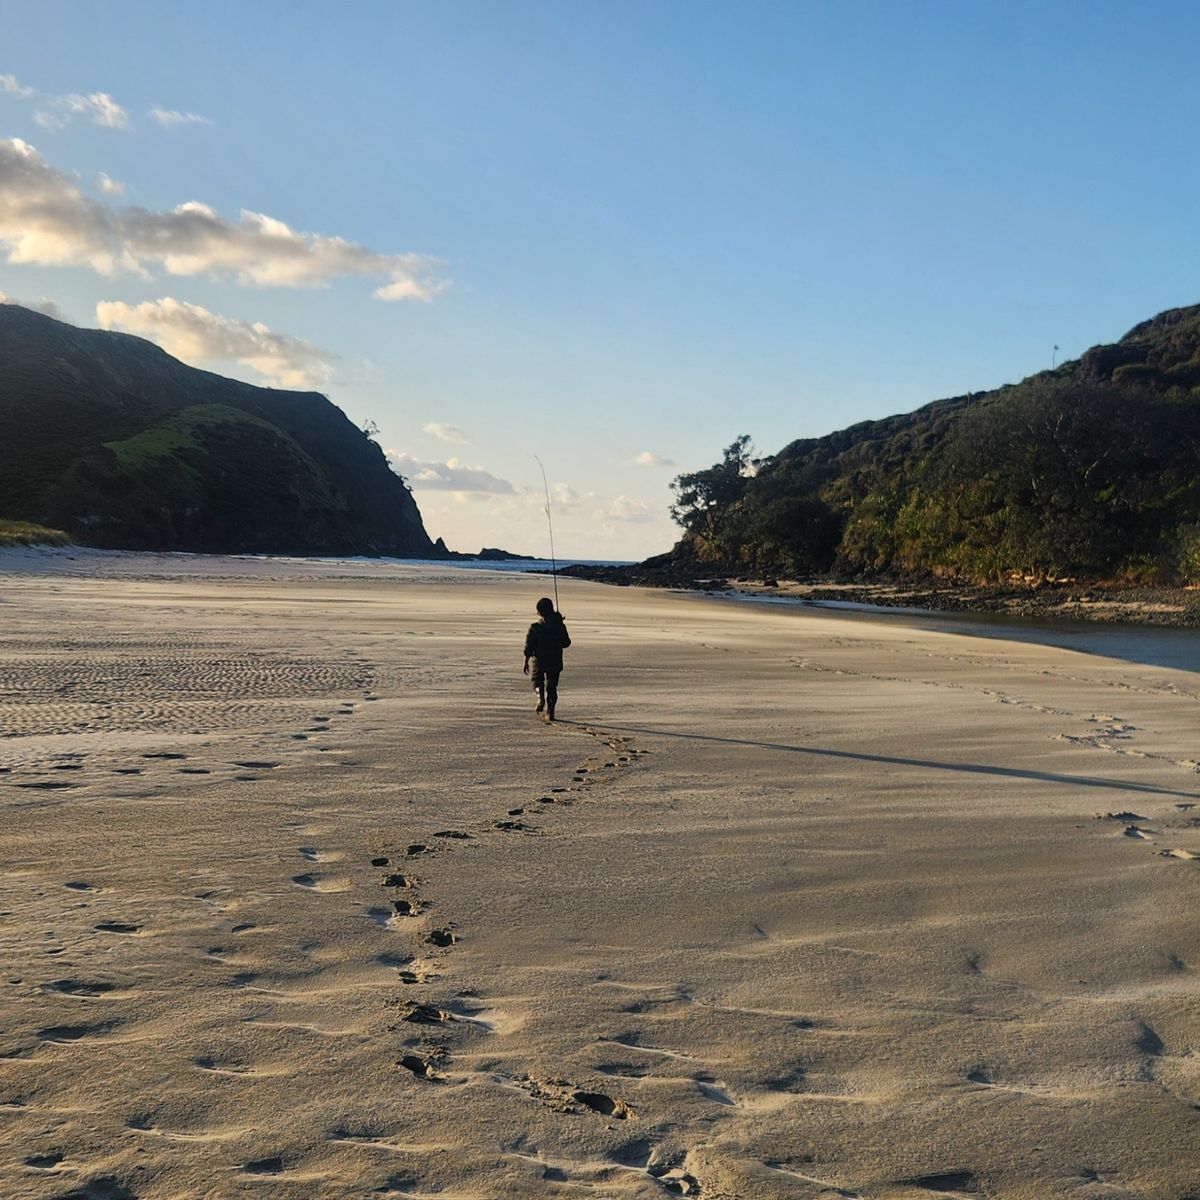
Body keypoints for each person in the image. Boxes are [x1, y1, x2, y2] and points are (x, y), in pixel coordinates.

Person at [523, 597, 571, 721]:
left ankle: (540, 698)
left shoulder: (535, 627)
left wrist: (526, 661)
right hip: (555, 660)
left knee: (537, 680)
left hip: (539, 660)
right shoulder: (560, 626)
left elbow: (529, 647)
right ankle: (551, 712)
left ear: (539, 612)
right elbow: (566, 643)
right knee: (552, 687)